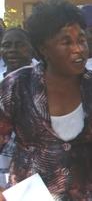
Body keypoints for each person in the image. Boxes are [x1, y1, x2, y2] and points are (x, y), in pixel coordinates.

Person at [0, 0, 92, 200]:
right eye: (67, 42)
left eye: (81, 40)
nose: (79, 49)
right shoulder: (17, 87)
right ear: (43, 48)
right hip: (33, 193)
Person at [0, 27, 35, 187]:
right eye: (7, 45)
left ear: (31, 47)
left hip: (33, 167)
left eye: (19, 44)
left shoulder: (46, 79)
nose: (12, 50)